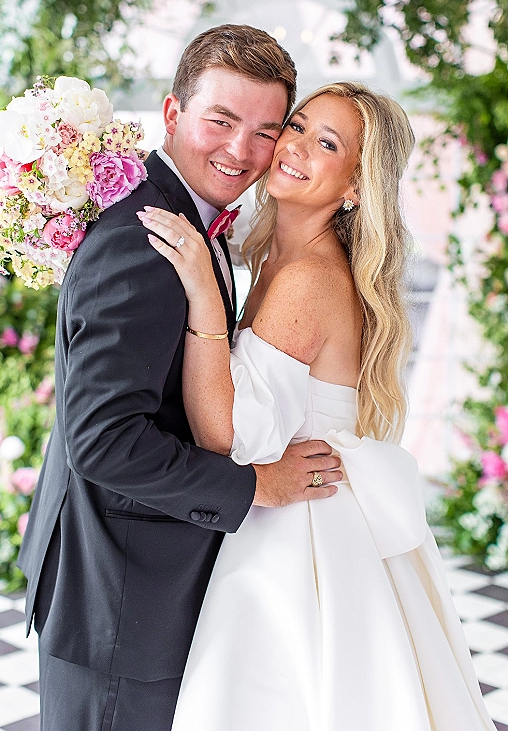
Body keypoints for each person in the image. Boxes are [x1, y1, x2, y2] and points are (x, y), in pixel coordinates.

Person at [17, 24, 345, 731]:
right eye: (220, 121)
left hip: (136, 586)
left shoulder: (192, 226)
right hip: (120, 601)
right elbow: (102, 443)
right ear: (172, 115)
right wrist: (257, 483)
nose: (241, 151)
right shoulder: (146, 243)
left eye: (265, 131)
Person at [140, 81, 496, 731]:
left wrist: (202, 296)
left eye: (325, 142)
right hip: (298, 509)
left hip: (297, 538)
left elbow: (231, 439)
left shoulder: (307, 278)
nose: (294, 147)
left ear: (355, 186)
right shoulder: (281, 256)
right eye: (297, 126)